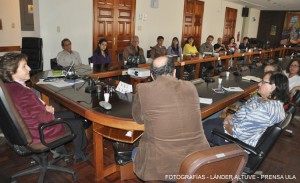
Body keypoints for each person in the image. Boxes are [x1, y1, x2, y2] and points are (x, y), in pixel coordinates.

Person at [0, 53, 89, 163]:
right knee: (78, 123)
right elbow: (46, 119)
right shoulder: (23, 93)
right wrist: (49, 111)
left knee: (71, 114)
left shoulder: (9, 87)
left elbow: (29, 111)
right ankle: (79, 154)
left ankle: (61, 152)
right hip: (40, 132)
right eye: (24, 66)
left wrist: (43, 109)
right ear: (11, 72)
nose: (29, 68)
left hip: (29, 126)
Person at [132, 56, 210, 181]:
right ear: (174, 72)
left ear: (152, 75)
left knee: (135, 152)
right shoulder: (190, 87)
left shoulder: (143, 90)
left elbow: (138, 119)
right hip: (197, 161)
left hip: (163, 167)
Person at [203, 72, 289, 147]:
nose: (259, 84)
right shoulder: (270, 102)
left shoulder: (263, 111)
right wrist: (232, 116)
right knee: (207, 123)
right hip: (235, 124)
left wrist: (226, 124)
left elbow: (238, 133)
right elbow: (247, 113)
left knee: (202, 129)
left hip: (234, 141)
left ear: (273, 87)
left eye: (263, 82)